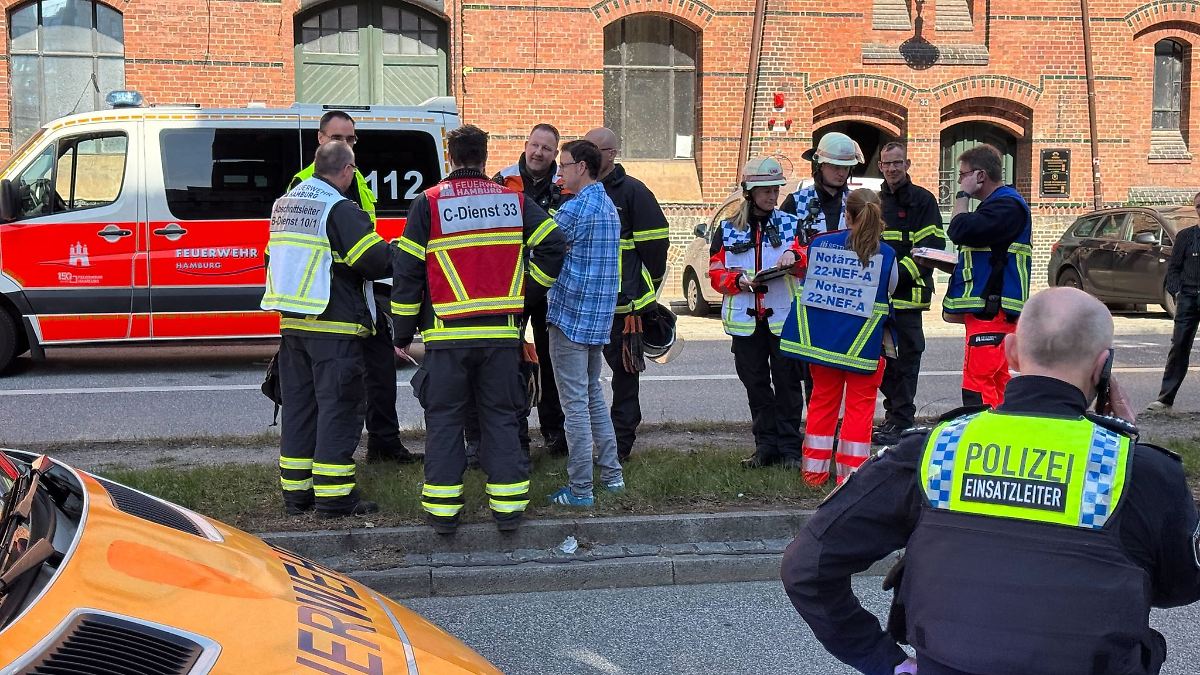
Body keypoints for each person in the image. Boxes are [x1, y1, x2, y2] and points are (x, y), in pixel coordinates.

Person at [781, 286, 1200, 675]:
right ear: (1103, 366)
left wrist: (884, 661)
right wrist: (1126, 445)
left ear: (1011, 352)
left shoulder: (934, 451)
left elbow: (806, 567)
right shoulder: (1138, 470)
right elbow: (1179, 586)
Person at [391, 124, 566, 535]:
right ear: (485, 158)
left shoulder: (429, 203)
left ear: (450, 156)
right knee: (501, 418)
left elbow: (407, 271)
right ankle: (508, 511)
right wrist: (525, 293)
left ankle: (443, 514)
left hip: (445, 336)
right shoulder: (512, 200)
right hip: (500, 336)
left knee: (445, 421)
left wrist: (401, 331)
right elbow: (554, 244)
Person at [262, 141, 393, 517]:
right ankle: (335, 497)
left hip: (293, 325)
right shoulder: (339, 208)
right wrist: (401, 251)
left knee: (300, 409)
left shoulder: (286, 204)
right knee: (340, 407)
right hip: (334, 326)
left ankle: (297, 494)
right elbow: (373, 260)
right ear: (348, 170)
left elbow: (272, 257)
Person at [288, 110, 419, 464]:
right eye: (337, 138)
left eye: (350, 138)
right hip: (330, 301)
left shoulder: (356, 179)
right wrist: (395, 254)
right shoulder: (305, 183)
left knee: (380, 371)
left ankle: (385, 443)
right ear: (320, 139)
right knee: (337, 394)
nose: (345, 143)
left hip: (364, 294)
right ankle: (332, 467)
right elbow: (356, 250)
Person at [780, 188, 897, 486]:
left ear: (847, 215)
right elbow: (890, 290)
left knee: (821, 403)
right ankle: (851, 478)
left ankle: (813, 474)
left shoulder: (821, 244)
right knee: (860, 410)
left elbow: (806, 277)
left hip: (824, 346)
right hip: (864, 347)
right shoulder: (887, 254)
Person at [708, 156, 807, 469]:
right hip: (746, 322)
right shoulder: (727, 230)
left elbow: (805, 261)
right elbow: (715, 273)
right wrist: (737, 281)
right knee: (757, 387)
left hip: (782, 319)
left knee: (788, 386)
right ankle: (766, 448)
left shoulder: (791, 224)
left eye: (775, 190)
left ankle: (791, 450)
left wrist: (795, 256)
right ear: (749, 192)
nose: (772, 196)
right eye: (766, 190)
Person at [544, 140, 623, 506]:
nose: (559, 172)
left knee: (574, 404)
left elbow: (542, 244)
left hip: (570, 316)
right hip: (597, 318)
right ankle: (612, 476)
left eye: (564, 165)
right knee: (592, 396)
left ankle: (580, 490)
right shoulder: (607, 205)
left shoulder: (575, 209)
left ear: (581, 167)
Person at [583, 128, 670, 462]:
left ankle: (620, 444)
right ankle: (577, 440)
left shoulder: (633, 192)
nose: (588, 155)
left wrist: (644, 288)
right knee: (582, 377)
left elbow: (655, 247)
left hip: (624, 307)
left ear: (611, 154)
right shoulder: (577, 190)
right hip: (587, 304)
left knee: (624, 377)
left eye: (594, 149)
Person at [488, 123, 573, 456]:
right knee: (511, 357)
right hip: (514, 285)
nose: (539, 153)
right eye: (535, 145)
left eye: (547, 148)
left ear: (555, 153)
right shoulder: (503, 179)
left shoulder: (566, 183)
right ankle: (515, 430)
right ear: (525, 145)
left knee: (552, 360)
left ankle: (554, 431)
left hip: (552, 285)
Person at [944, 143, 1032, 408]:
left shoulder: (1006, 206)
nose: (960, 181)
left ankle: (982, 430)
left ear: (980, 175)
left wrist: (962, 195)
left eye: (963, 175)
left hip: (992, 310)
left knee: (978, 384)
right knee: (997, 380)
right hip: (991, 310)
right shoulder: (998, 206)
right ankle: (1002, 428)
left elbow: (958, 229)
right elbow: (988, 255)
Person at [872, 142, 946, 446]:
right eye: (887, 164)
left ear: (907, 164)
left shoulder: (922, 201)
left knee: (905, 362)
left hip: (908, 299)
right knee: (880, 362)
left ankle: (901, 422)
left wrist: (893, 277)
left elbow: (931, 250)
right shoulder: (875, 202)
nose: (892, 168)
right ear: (880, 166)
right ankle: (895, 418)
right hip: (877, 300)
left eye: (897, 163)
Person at [1146, 190, 1200, 414]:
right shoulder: (1186, 237)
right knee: (1179, 347)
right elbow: (1174, 269)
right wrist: (1176, 291)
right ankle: (1165, 399)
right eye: (1199, 206)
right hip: (1188, 297)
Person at [780, 131, 864, 239]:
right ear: (821, 165)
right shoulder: (796, 202)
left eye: (846, 167)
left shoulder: (857, 203)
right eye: (836, 166)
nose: (841, 173)